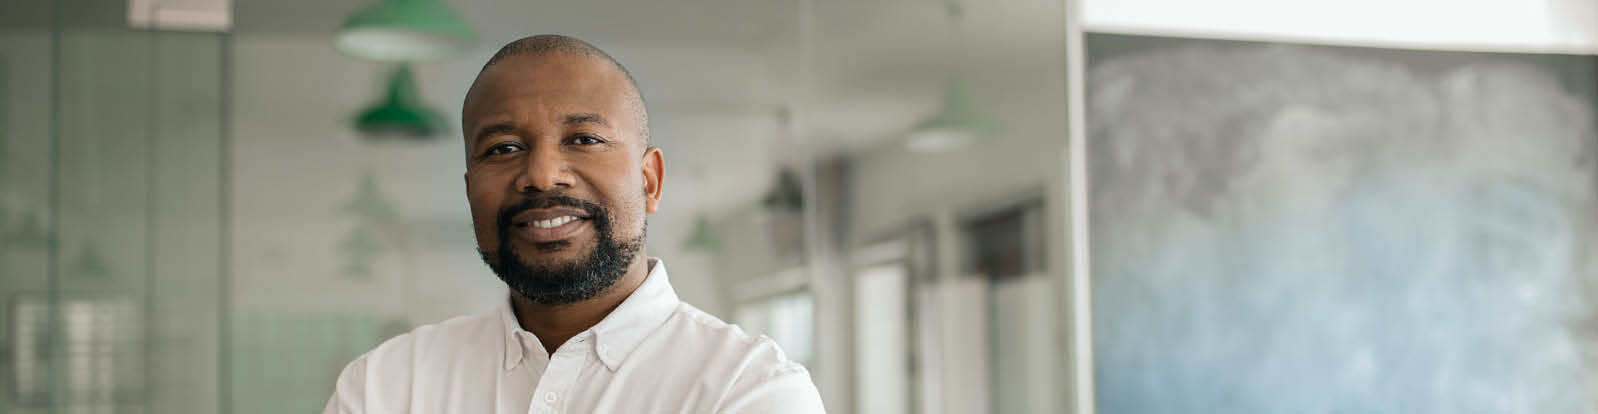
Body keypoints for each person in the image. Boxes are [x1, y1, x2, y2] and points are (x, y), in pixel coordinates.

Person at [323, 34, 825, 414]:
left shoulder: (749, 389)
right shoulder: (387, 387)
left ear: (649, 181)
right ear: (470, 189)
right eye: (503, 149)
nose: (541, 175)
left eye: (584, 139)